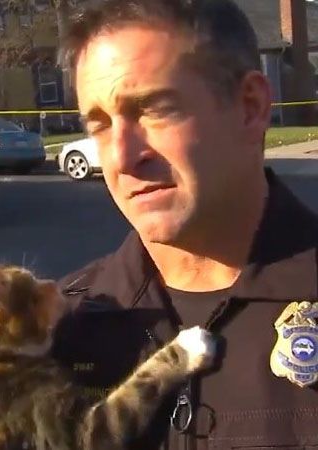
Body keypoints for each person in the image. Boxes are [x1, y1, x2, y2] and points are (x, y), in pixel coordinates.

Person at [52, 0, 318, 448]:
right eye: (99, 125)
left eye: (154, 109)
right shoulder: (63, 328)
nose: (120, 157)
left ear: (250, 108)